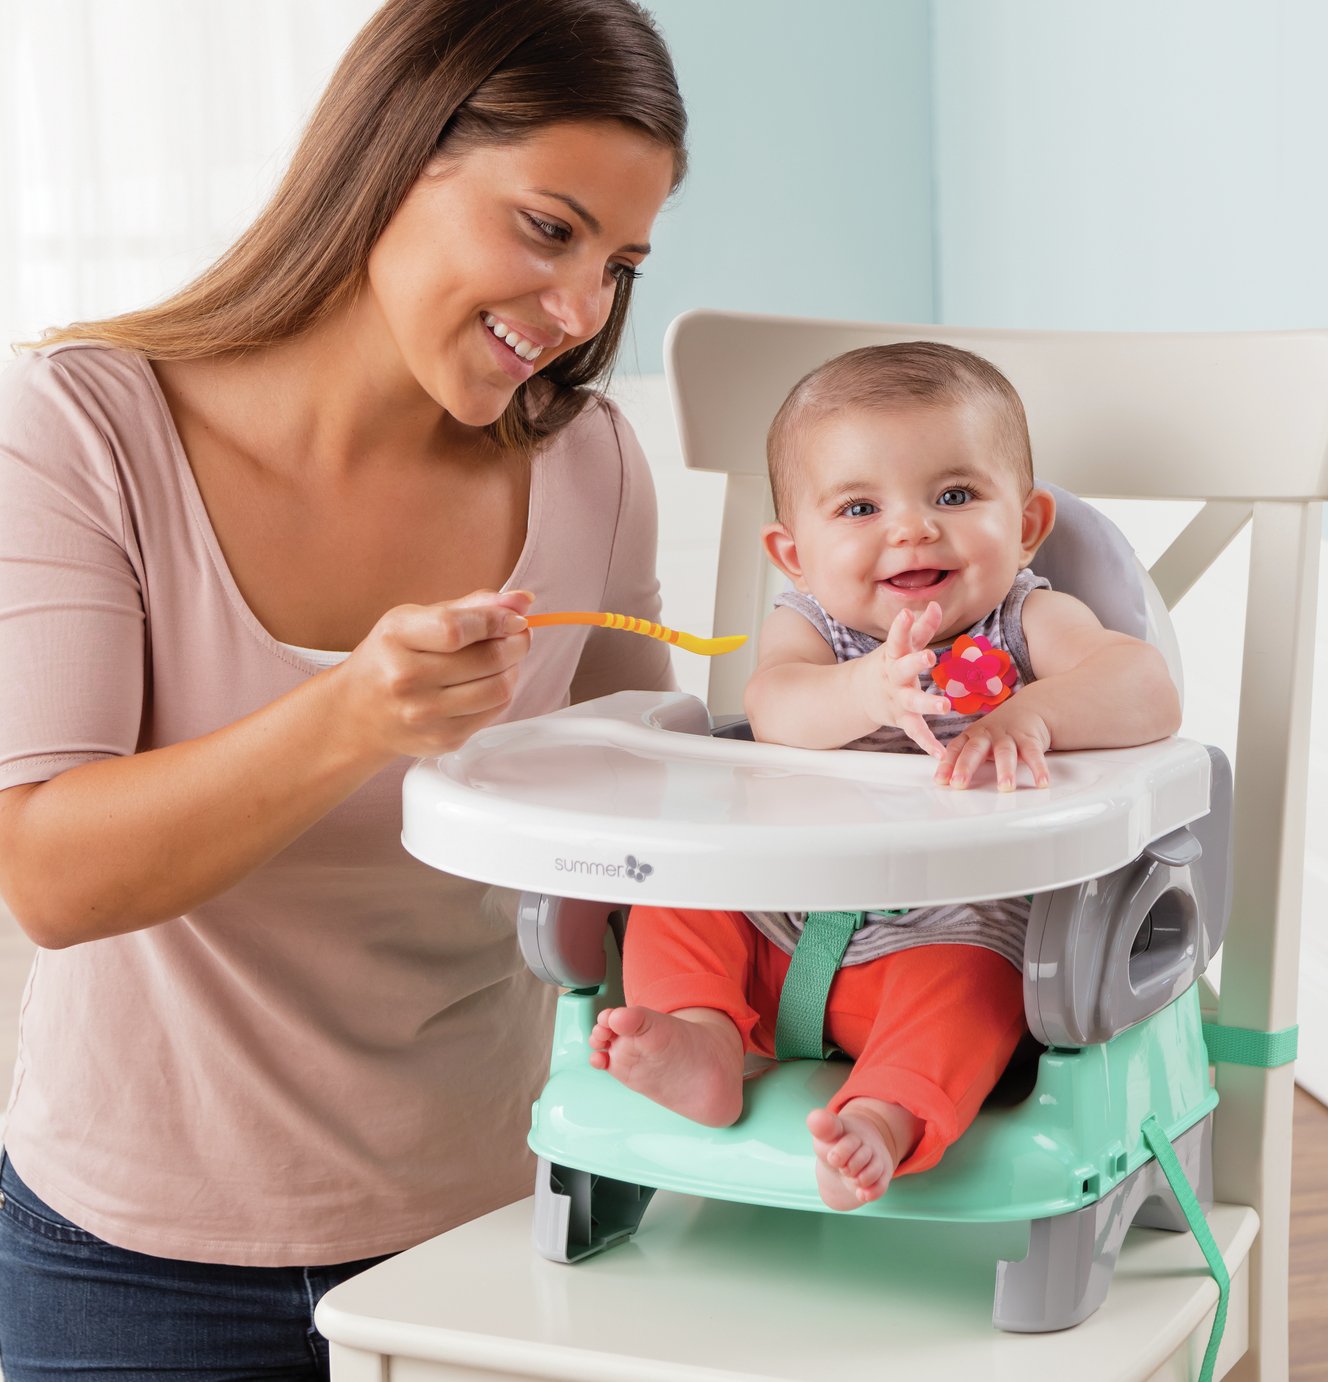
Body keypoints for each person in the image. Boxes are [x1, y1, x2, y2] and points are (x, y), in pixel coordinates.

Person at [0, 1, 686, 1376]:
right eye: (548, 229)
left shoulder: (589, 467)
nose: (578, 312)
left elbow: (640, 843)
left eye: (617, 263)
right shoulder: (85, 427)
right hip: (127, 1248)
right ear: (393, 155)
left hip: (503, 1215)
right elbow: (50, 878)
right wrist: (352, 715)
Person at [588, 341, 1182, 1212]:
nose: (911, 528)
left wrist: (1033, 712)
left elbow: (1147, 687)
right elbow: (776, 706)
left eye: (954, 495)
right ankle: (702, 1040)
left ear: (1024, 525)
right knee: (676, 901)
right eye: (860, 506)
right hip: (774, 914)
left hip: (946, 929)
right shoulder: (813, 629)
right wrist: (862, 689)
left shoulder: (1026, 621)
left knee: (974, 990)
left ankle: (881, 1118)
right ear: (793, 553)